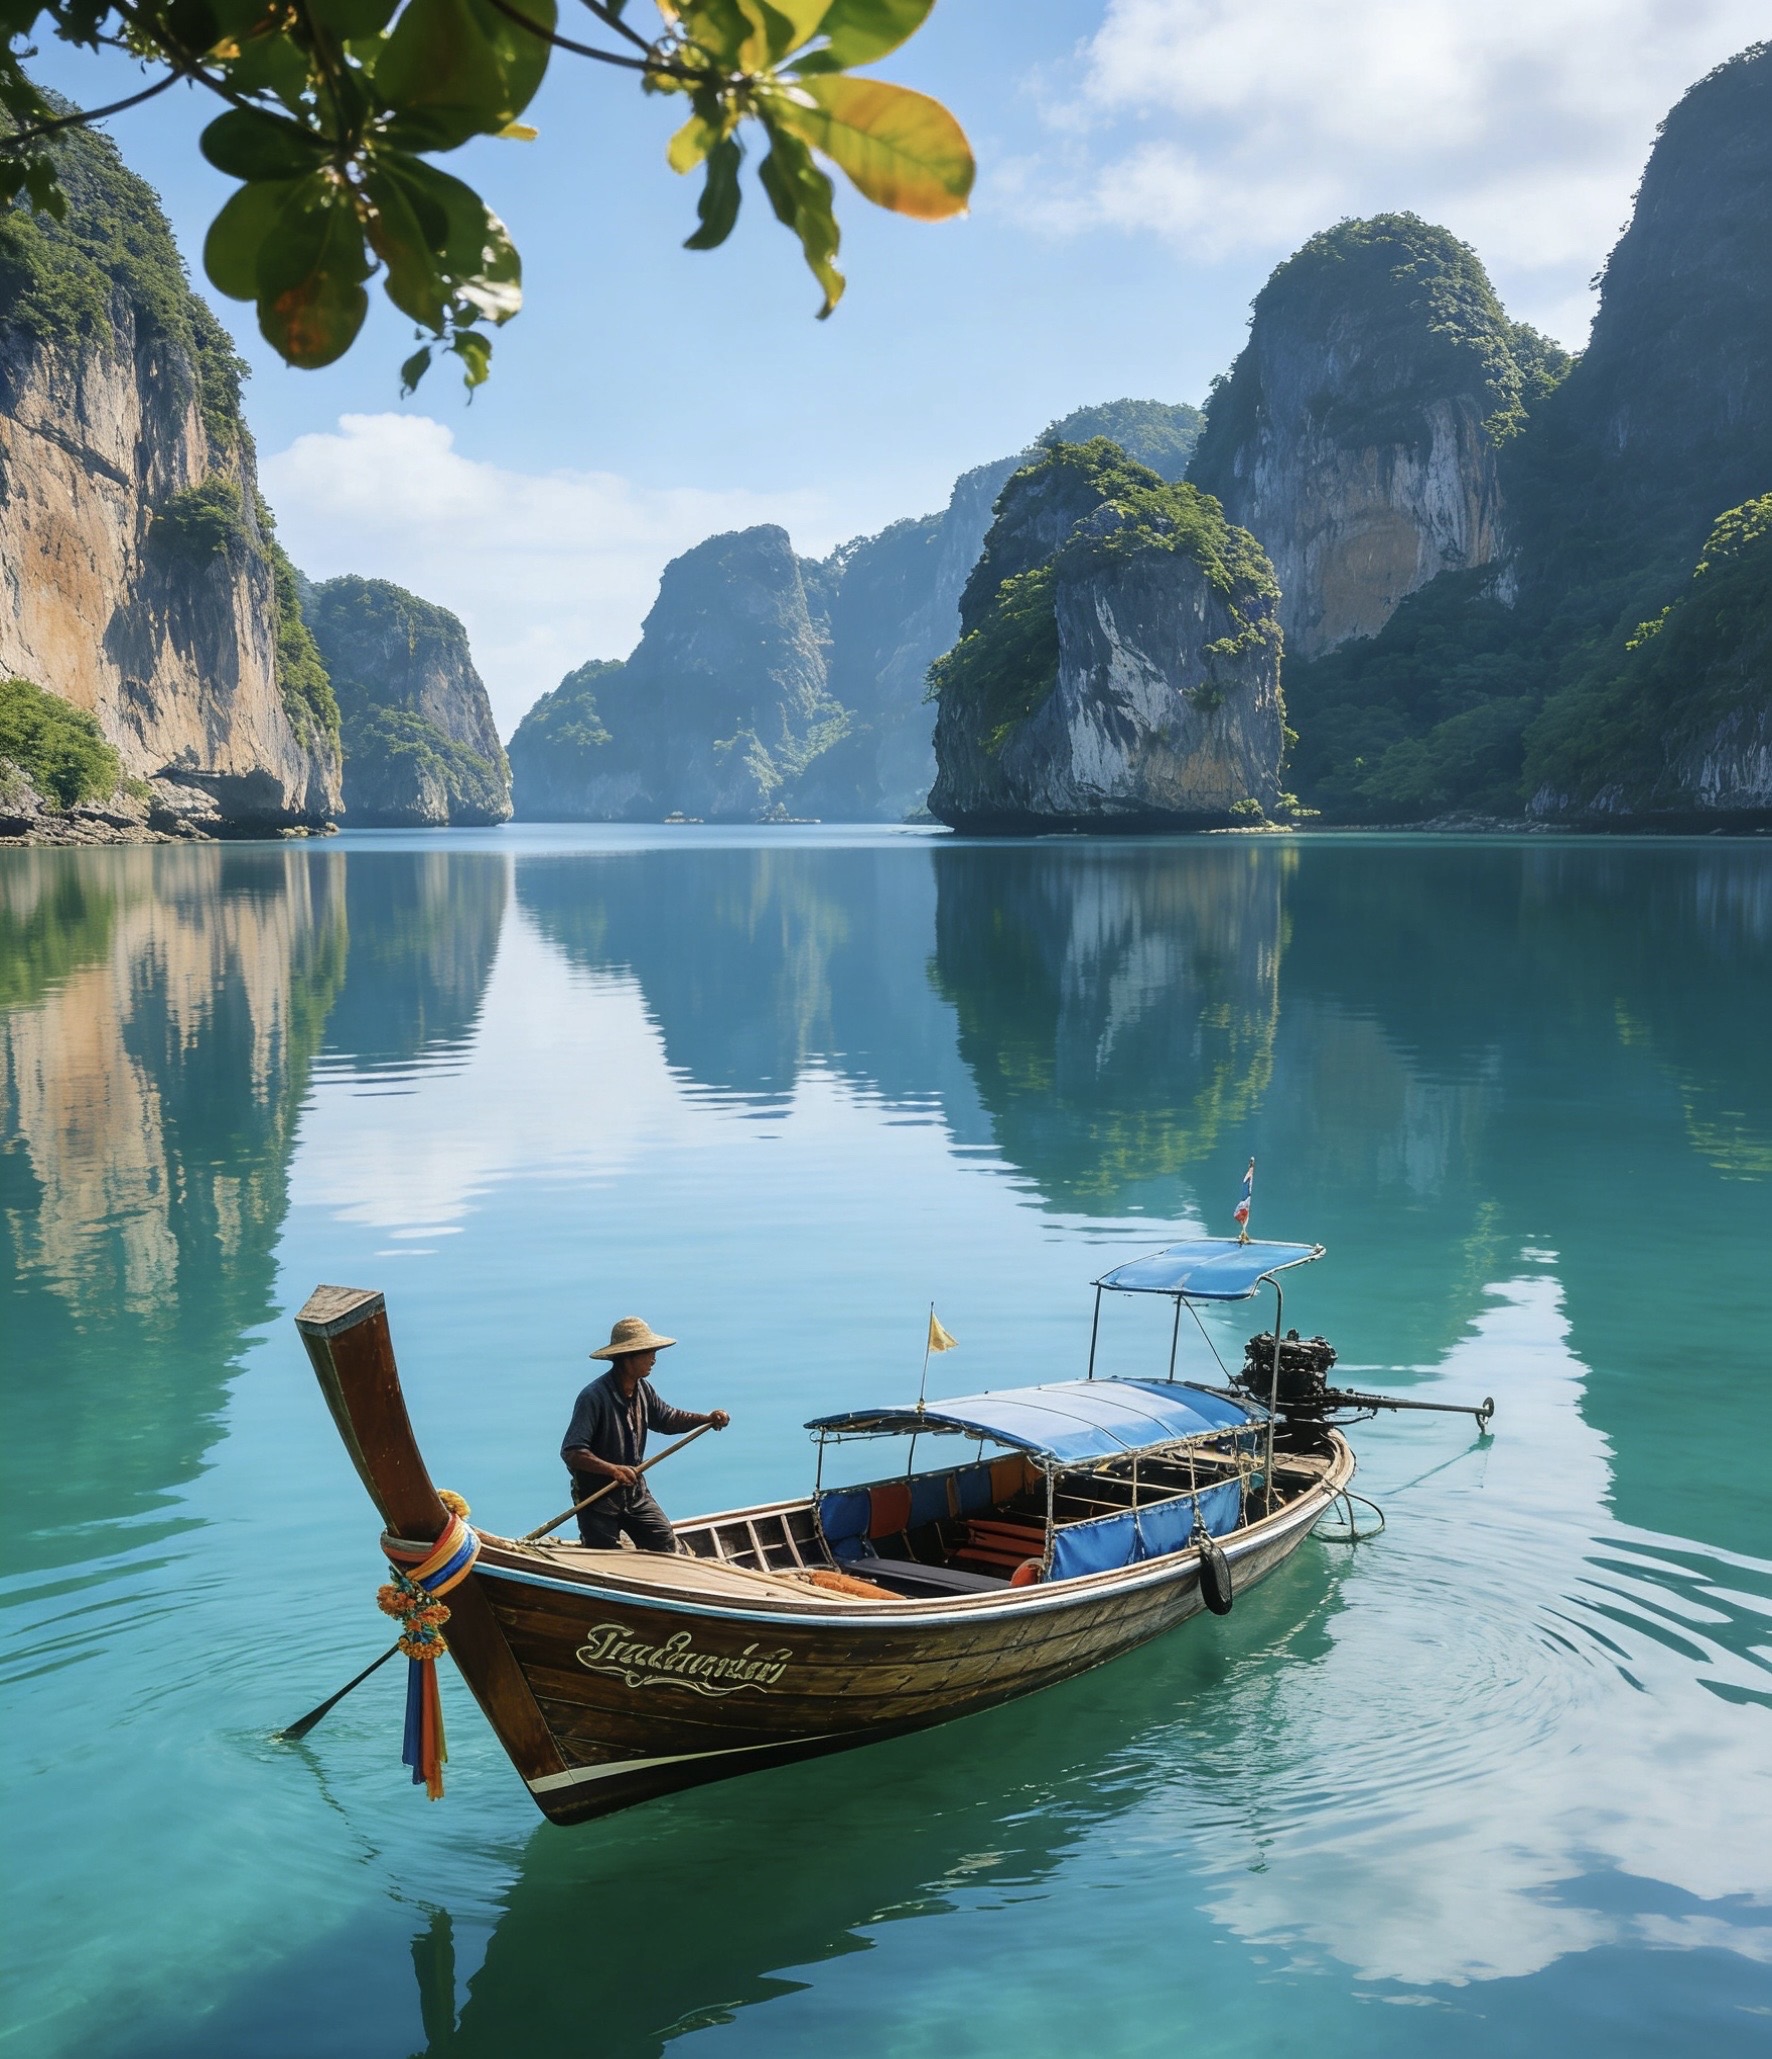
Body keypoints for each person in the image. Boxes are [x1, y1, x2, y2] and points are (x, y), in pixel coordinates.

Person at [560, 1316, 729, 1552]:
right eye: (648, 1352)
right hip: (598, 1500)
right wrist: (613, 1470)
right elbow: (573, 1452)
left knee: (665, 1543)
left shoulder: (642, 1389)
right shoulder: (593, 1397)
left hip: (635, 1495)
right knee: (603, 1557)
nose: (654, 1359)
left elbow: (667, 1419)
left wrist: (707, 1419)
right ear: (628, 1358)